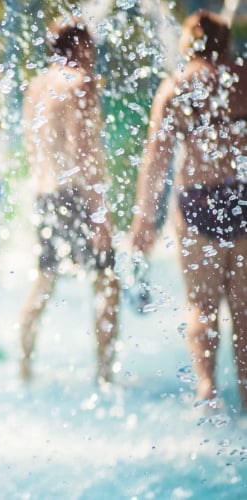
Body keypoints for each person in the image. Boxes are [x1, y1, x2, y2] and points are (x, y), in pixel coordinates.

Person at [130, 9, 247, 412]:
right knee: (244, 312)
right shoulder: (243, 78)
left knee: (201, 306)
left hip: (197, 202)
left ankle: (207, 392)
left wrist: (144, 222)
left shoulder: (176, 86)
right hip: (243, 198)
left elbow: (156, 161)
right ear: (225, 41)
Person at [17, 17, 120, 384]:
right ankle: (105, 375)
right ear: (78, 46)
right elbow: (84, 151)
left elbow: (32, 148)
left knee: (43, 281)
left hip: (45, 193)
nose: (94, 52)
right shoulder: (82, 83)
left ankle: (24, 368)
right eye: (90, 44)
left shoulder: (37, 86)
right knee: (107, 283)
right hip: (77, 194)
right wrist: (99, 213)